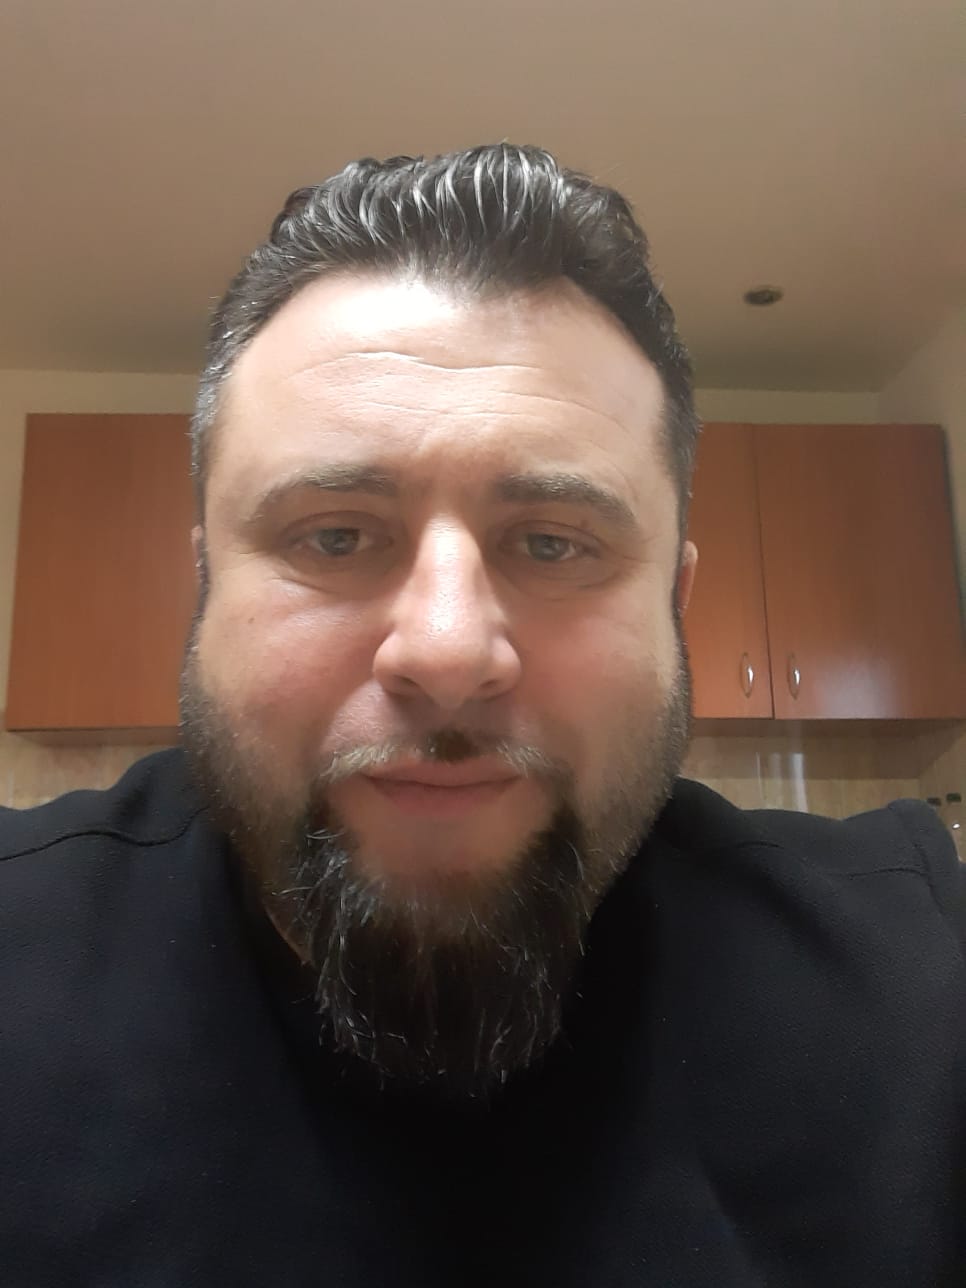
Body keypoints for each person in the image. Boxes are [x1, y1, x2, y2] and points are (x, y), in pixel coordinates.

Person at [1, 144, 963, 1288]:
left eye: (552, 543)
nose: (449, 652)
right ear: (208, 585)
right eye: (335, 535)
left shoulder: (920, 986)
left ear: (675, 603)